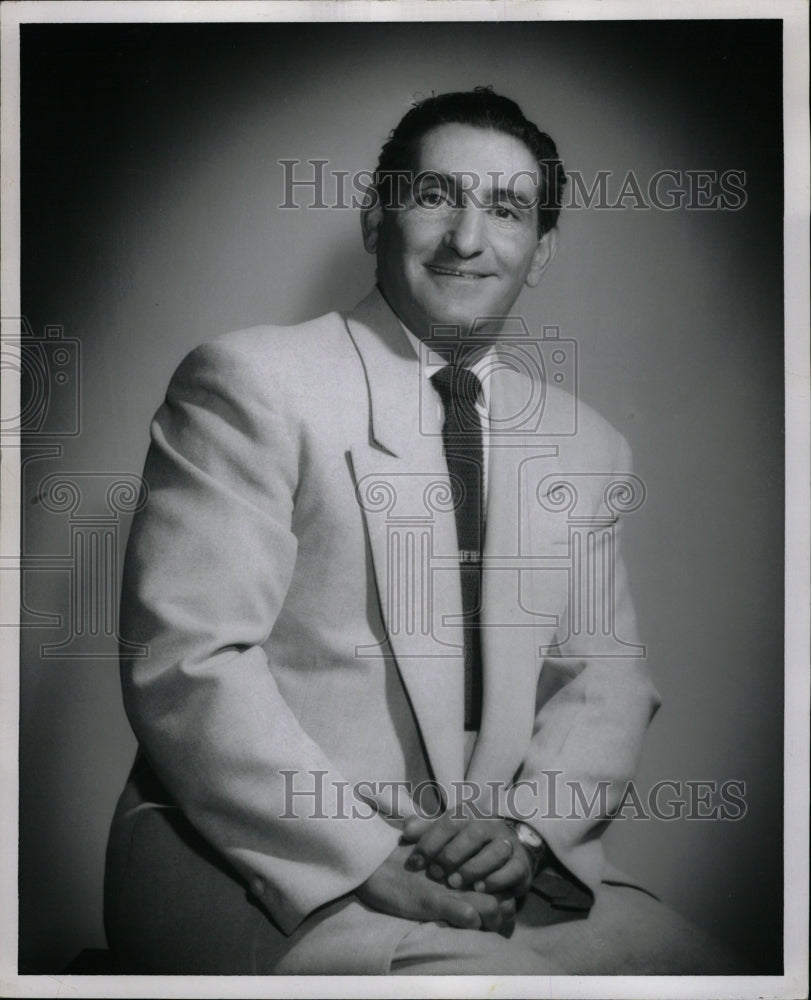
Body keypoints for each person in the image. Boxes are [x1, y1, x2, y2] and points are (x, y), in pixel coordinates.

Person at [104, 87, 738, 975]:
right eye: (436, 196)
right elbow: (189, 662)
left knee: (701, 971)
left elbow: (604, 680)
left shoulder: (586, 445)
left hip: (492, 864)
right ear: (375, 216)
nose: (468, 239)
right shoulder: (251, 383)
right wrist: (366, 855)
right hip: (255, 861)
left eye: (506, 209)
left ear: (541, 250)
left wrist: (519, 830)